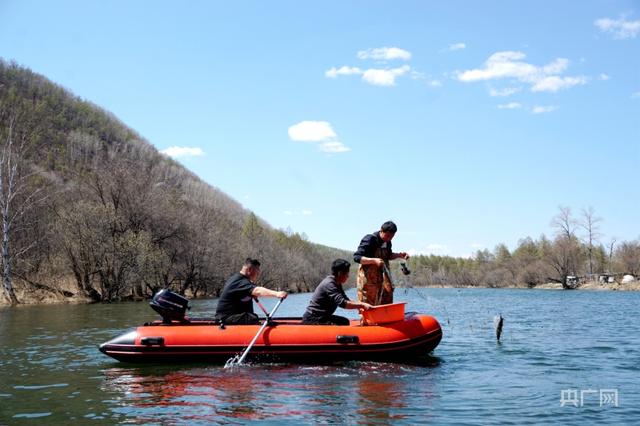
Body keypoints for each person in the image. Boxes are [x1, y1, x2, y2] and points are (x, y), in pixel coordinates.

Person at [215, 258, 287, 325]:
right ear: (249, 270)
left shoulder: (243, 281)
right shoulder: (239, 281)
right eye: (257, 270)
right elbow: (258, 290)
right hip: (225, 319)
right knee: (251, 317)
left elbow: (253, 291)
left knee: (251, 317)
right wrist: (277, 293)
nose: (258, 273)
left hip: (235, 317)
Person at [353, 221, 409, 305]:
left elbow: (388, 256)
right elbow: (357, 257)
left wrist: (399, 255)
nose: (389, 239)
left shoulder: (388, 242)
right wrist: (373, 261)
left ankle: (386, 317)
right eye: (387, 236)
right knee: (368, 302)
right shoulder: (370, 239)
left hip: (383, 278)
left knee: (387, 297)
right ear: (381, 231)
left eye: (392, 237)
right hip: (369, 280)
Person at [302, 259, 372, 325]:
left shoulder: (337, 283)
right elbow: (342, 303)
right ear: (340, 273)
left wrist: (358, 306)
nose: (348, 276)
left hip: (322, 317)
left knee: (344, 321)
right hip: (313, 318)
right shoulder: (329, 284)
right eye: (347, 273)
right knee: (344, 323)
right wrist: (362, 305)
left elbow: (345, 299)